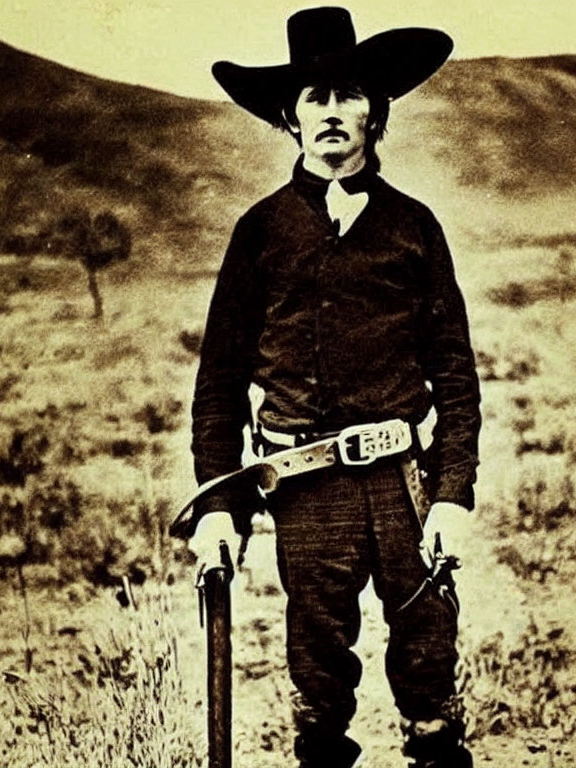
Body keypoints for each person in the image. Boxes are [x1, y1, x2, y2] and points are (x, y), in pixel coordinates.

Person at [189, 7, 481, 767]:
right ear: (290, 118)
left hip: (402, 486)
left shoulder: (415, 227)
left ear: (373, 112)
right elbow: (218, 382)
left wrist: (452, 493)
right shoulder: (258, 232)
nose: (329, 112)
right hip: (303, 489)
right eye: (312, 98)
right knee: (318, 693)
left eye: (346, 95)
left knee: (429, 679)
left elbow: (455, 373)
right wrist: (218, 507)